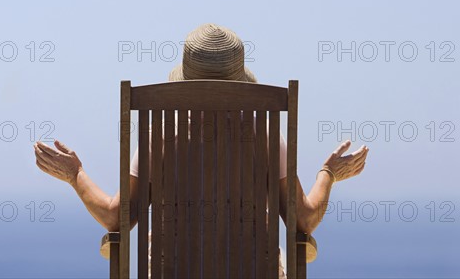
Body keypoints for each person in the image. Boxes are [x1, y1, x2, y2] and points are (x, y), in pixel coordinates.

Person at [34, 23, 369, 278]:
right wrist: (328, 175)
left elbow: (114, 216)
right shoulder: (264, 136)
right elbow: (305, 220)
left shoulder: (160, 137)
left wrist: (75, 175)